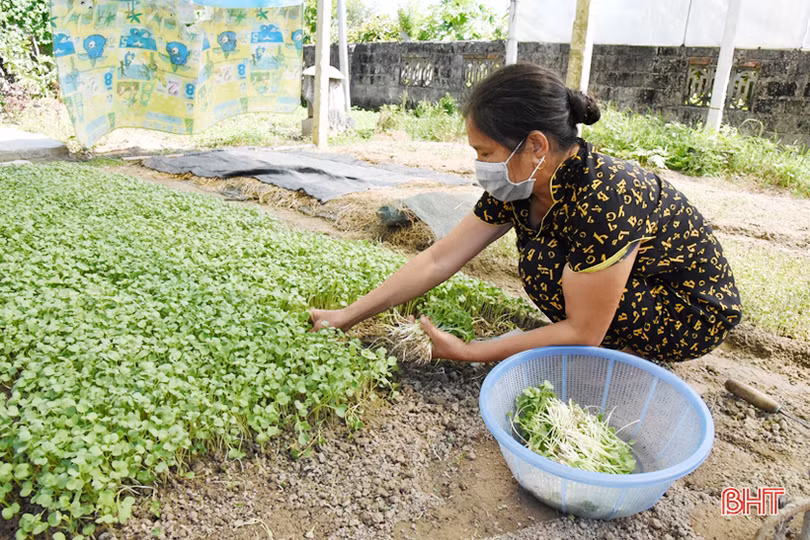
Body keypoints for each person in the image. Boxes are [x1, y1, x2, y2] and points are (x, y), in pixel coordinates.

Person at [310, 63, 742, 364]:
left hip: (688, 312)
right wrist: (347, 315)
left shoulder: (605, 198)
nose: (480, 165)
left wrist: (470, 351)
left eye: (485, 152)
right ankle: (608, 350)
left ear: (535, 145)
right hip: (638, 293)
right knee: (547, 264)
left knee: (549, 268)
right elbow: (440, 258)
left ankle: (629, 356)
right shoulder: (521, 183)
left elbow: (583, 330)